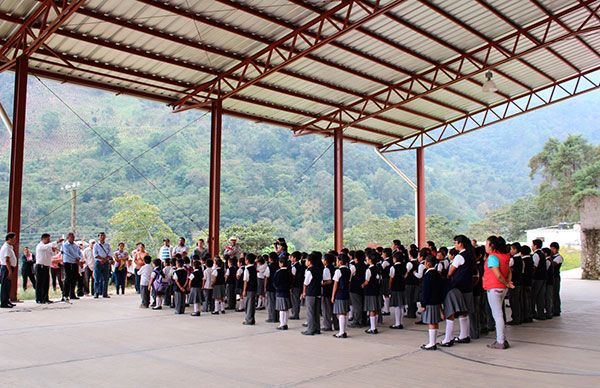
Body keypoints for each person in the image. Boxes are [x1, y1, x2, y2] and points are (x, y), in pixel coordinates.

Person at [440, 235, 475, 347]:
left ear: (461, 243)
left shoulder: (459, 257)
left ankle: (449, 338)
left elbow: (450, 272)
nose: (455, 245)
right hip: (468, 286)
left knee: (454, 311)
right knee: (464, 312)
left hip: (458, 287)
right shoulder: (470, 255)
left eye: (455, 242)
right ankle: (465, 335)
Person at [483, 236, 513, 350]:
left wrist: (505, 282)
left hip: (494, 288)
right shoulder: (505, 256)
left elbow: (498, 275)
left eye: (487, 244)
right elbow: (509, 271)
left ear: (492, 246)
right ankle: (501, 339)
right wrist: (508, 283)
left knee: (497, 315)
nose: (486, 246)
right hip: (502, 289)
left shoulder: (493, 257)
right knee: (499, 313)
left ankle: (500, 340)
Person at [421, 255, 445, 350]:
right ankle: (433, 341)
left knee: (431, 322)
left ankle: (432, 343)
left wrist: (423, 303)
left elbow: (425, 291)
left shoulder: (428, 275)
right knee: (434, 322)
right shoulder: (437, 274)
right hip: (436, 301)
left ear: (428, 263)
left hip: (429, 302)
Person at [35, 234, 63, 304]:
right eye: (48, 239)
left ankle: (45, 298)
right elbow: (48, 246)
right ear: (43, 239)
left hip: (46, 266)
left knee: (46, 283)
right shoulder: (40, 246)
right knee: (40, 283)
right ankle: (39, 298)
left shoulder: (46, 247)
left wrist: (54, 250)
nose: (49, 241)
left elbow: (52, 253)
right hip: (40, 266)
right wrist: (57, 242)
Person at [331, 254, 351, 338]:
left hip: (339, 293)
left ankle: (341, 332)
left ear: (340, 261)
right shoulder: (349, 270)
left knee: (341, 313)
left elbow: (335, 284)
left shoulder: (338, 271)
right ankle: (343, 331)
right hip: (346, 293)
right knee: (345, 312)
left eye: (337, 260)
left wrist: (332, 296)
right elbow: (349, 283)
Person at [301, 253, 322, 336]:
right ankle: (317, 328)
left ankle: (310, 330)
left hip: (310, 293)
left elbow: (306, 283)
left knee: (310, 312)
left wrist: (303, 292)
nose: (305, 262)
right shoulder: (318, 269)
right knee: (316, 312)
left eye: (306, 260)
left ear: (310, 261)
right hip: (317, 292)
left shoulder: (309, 271)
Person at [362, 252, 381, 334]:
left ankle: (372, 328)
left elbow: (367, 281)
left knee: (371, 309)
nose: (366, 260)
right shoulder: (378, 268)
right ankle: (374, 327)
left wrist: (362, 285)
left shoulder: (369, 270)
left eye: (367, 259)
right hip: (377, 290)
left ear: (370, 260)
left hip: (370, 291)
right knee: (375, 309)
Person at [61, 232, 82, 301]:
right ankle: (65, 294)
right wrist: (75, 258)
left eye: (73, 237)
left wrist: (79, 257)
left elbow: (80, 252)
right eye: (71, 237)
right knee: (68, 279)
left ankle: (72, 294)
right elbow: (68, 253)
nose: (73, 238)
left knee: (74, 279)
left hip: (75, 263)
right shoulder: (65, 245)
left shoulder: (75, 245)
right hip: (68, 262)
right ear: (68, 238)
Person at [273, 257, 293, 330]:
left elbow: (275, 283)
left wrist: (278, 288)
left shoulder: (278, 272)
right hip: (287, 292)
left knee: (281, 309)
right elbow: (291, 282)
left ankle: (282, 324)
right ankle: (285, 324)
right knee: (286, 309)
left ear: (281, 263)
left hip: (280, 292)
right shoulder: (289, 272)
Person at [389, 251, 406, 329]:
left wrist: (390, 287)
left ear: (395, 259)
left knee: (397, 306)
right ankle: (401, 322)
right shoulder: (404, 266)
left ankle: (397, 323)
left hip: (395, 288)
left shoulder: (393, 267)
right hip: (402, 287)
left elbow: (391, 279)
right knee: (401, 305)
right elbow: (405, 276)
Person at [349, 250, 366, 328]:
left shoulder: (354, 267)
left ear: (356, 258)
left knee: (357, 305)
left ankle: (357, 321)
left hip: (354, 288)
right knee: (362, 304)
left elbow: (350, 278)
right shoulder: (366, 265)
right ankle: (363, 320)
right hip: (363, 287)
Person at [507, 242, 523, 325]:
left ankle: (516, 318)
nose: (510, 251)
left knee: (513, 301)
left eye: (511, 249)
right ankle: (518, 317)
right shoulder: (520, 258)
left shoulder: (513, 260)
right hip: (519, 282)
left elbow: (508, 269)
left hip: (514, 283)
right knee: (517, 300)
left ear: (515, 250)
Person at [0, 232, 18, 308]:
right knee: (5, 286)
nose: (15, 240)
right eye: (14, 238)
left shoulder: (10, 246)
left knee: (8, 286)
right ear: (9, 239)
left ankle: (7, 300)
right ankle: (3, 303)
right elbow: (7, 260)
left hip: (9, 268)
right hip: (7, 268)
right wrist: (10, 271)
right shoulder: (6, 247)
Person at [531, 239, 547, 320]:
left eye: (532, 245)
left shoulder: (536, 255)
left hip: (537, 278)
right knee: (541, 296)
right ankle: (541, 314)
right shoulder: (542, 254)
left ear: (535, 246)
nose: (531, 247)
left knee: (534, 296)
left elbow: (534, 267)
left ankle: (533, 313)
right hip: (543, 277)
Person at [93, 232, 112, 298]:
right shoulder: (96, 245)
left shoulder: (107, 245)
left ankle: (105, 293)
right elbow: (95, 254)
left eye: (103, 236)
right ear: (98, 237)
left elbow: (109, 254)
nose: (102, 237)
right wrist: (102, 259)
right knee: (97, 279)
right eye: (101, 236)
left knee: (105, 279)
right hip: (98, 262)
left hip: (106, 263)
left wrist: (105, 259)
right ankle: (96, 293)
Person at [321, 253, 336, 332]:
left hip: (327, 291)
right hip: (332, 291)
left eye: (323, 259)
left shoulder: (326, 269)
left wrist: (321, 284)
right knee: (333, 309)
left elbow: (329, 281)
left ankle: (327, 326)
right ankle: (336, 325)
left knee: (326, 309)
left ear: (326, 261)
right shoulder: (334, 268)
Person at [242, 253, 258, 325]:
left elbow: (246, 281)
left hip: (249, 289)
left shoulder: (247, 269)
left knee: (248, 305)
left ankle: (248, 320)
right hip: (254, 288)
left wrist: (244, 290)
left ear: (247, 261)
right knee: (251, 304)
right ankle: (252, 319)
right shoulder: (254, 268)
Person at [521, 245, 534, 323]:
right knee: (528, 299)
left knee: (525, 300)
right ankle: (529, 315)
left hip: (524, 282)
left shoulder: (523, 260)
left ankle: (526, 316)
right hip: (529, 281)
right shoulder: (530, 259)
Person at [264, 253, 279, 323]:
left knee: (271, 302)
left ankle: (271, 317)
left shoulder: (269, 267)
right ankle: (276, 317)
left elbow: (267, 277)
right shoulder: (278, 266)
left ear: (270, 259)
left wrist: (265, 287)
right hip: (277, 287)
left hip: (270, 286)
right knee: (276, 302)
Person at [550, 242, 563, 316]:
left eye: (552, 249)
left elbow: (552, 264)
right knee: (551, 294)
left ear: (556, 249)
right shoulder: (552, 257)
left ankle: (556, 310)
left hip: (555, 277)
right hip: (552, 277)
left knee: (555, 293)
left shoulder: (559, 257)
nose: (551, 250)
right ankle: (552, 308)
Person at [290, 251, 304, 320]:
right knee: (296, 300)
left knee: (295, 300)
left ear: (295, 258)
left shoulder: (294, 267)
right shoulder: (300, 265)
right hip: (299, 285)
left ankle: (295, 314)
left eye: (292, 257)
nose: (290, 258)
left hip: (295, 285)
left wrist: (290, 286)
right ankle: (295, 313)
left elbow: (292, 277)